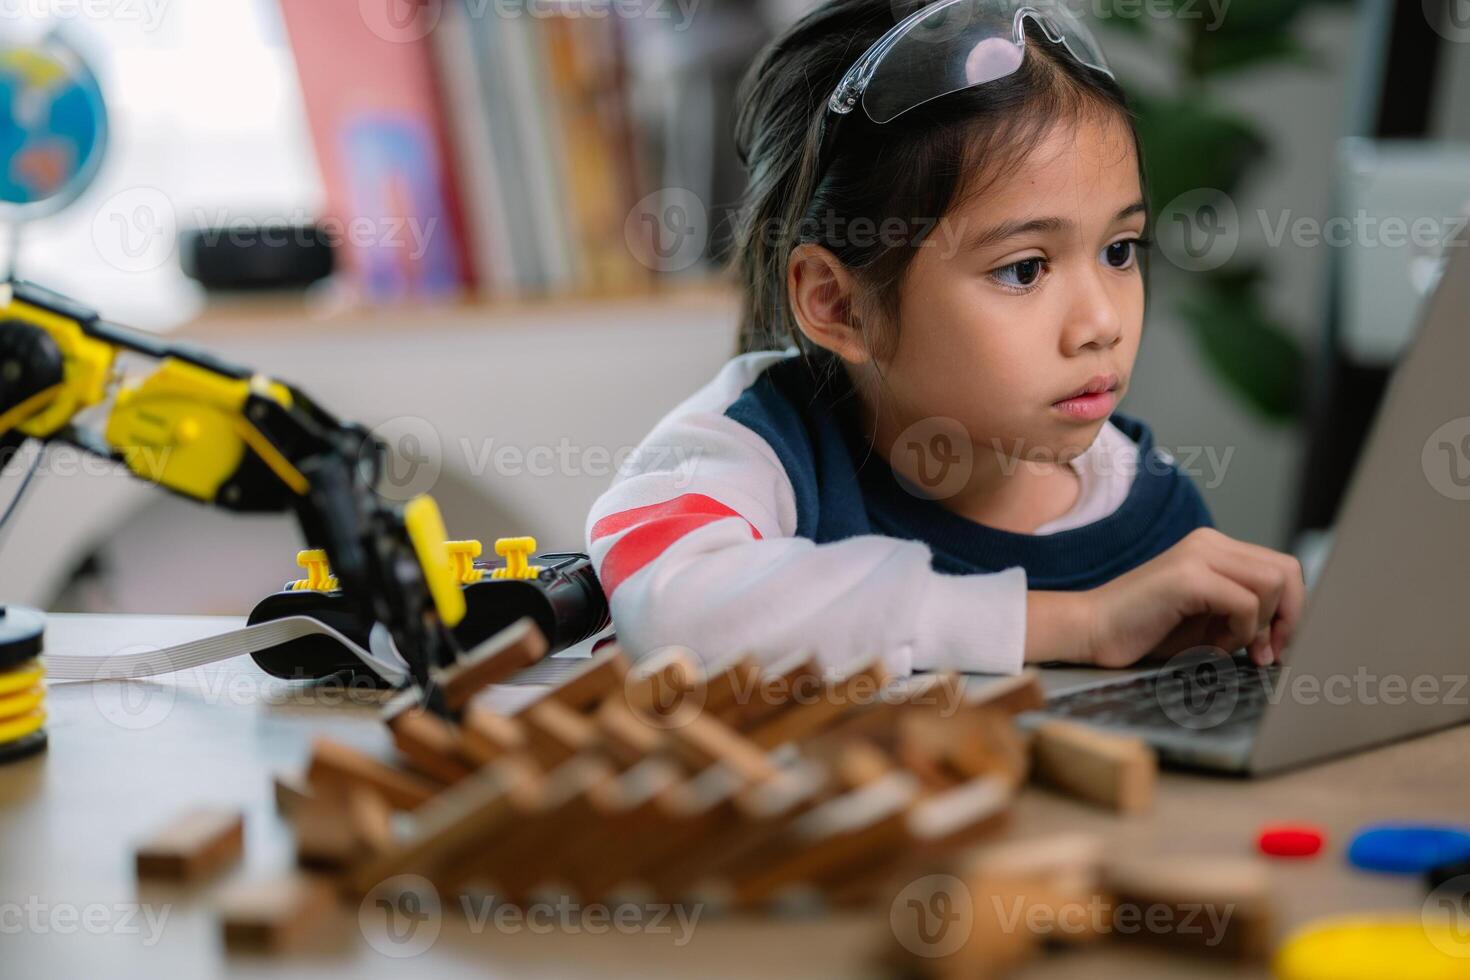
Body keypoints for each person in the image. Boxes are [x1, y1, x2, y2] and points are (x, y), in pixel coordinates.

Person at [585, 0, 1304, 678]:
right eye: (1024, 269)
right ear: (840, 305)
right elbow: (670, 606)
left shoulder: (1157, 519)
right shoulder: (755, 449)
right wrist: (1076, 624)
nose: (1102, 324)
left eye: (1120, 250)